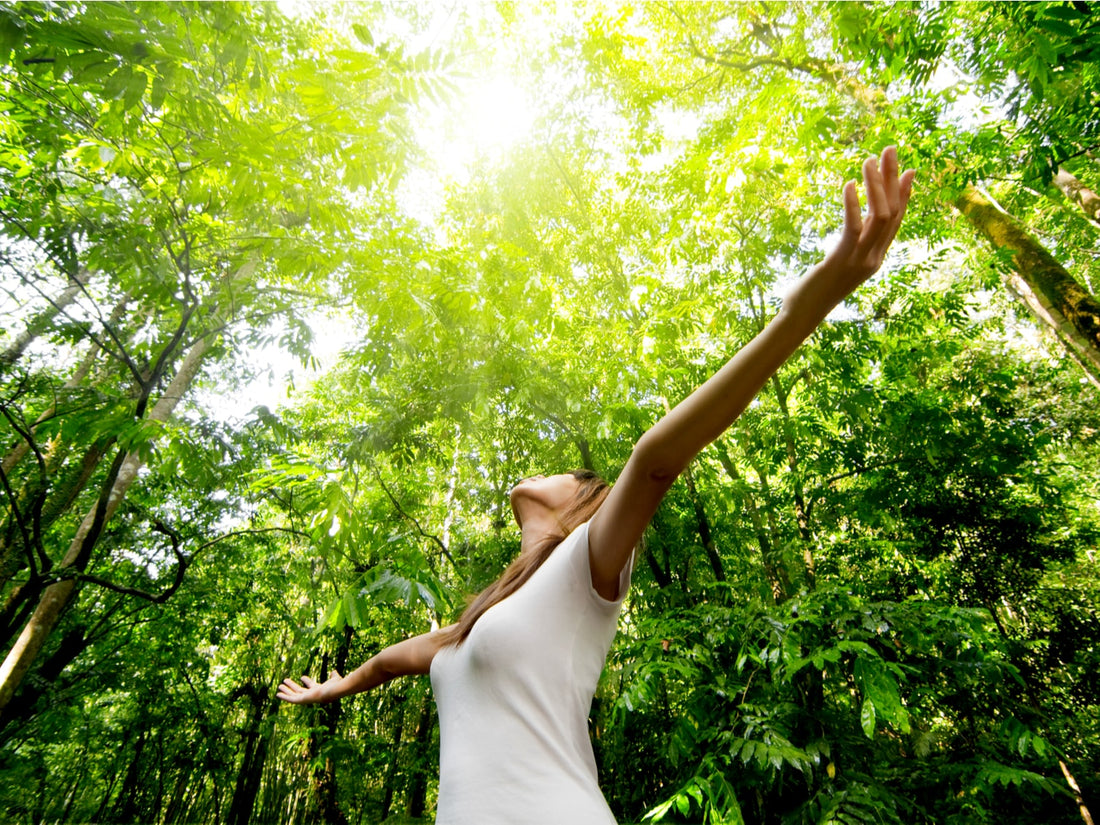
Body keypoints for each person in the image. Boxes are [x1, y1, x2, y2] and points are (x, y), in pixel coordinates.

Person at [278, 147, 916, 823]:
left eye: (568, 474)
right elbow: (387, 660)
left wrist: (805, 306)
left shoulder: (588, 563)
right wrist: (334, 687)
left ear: (580, 505)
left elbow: (653, 460)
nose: (544, 470)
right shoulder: (472, 626)